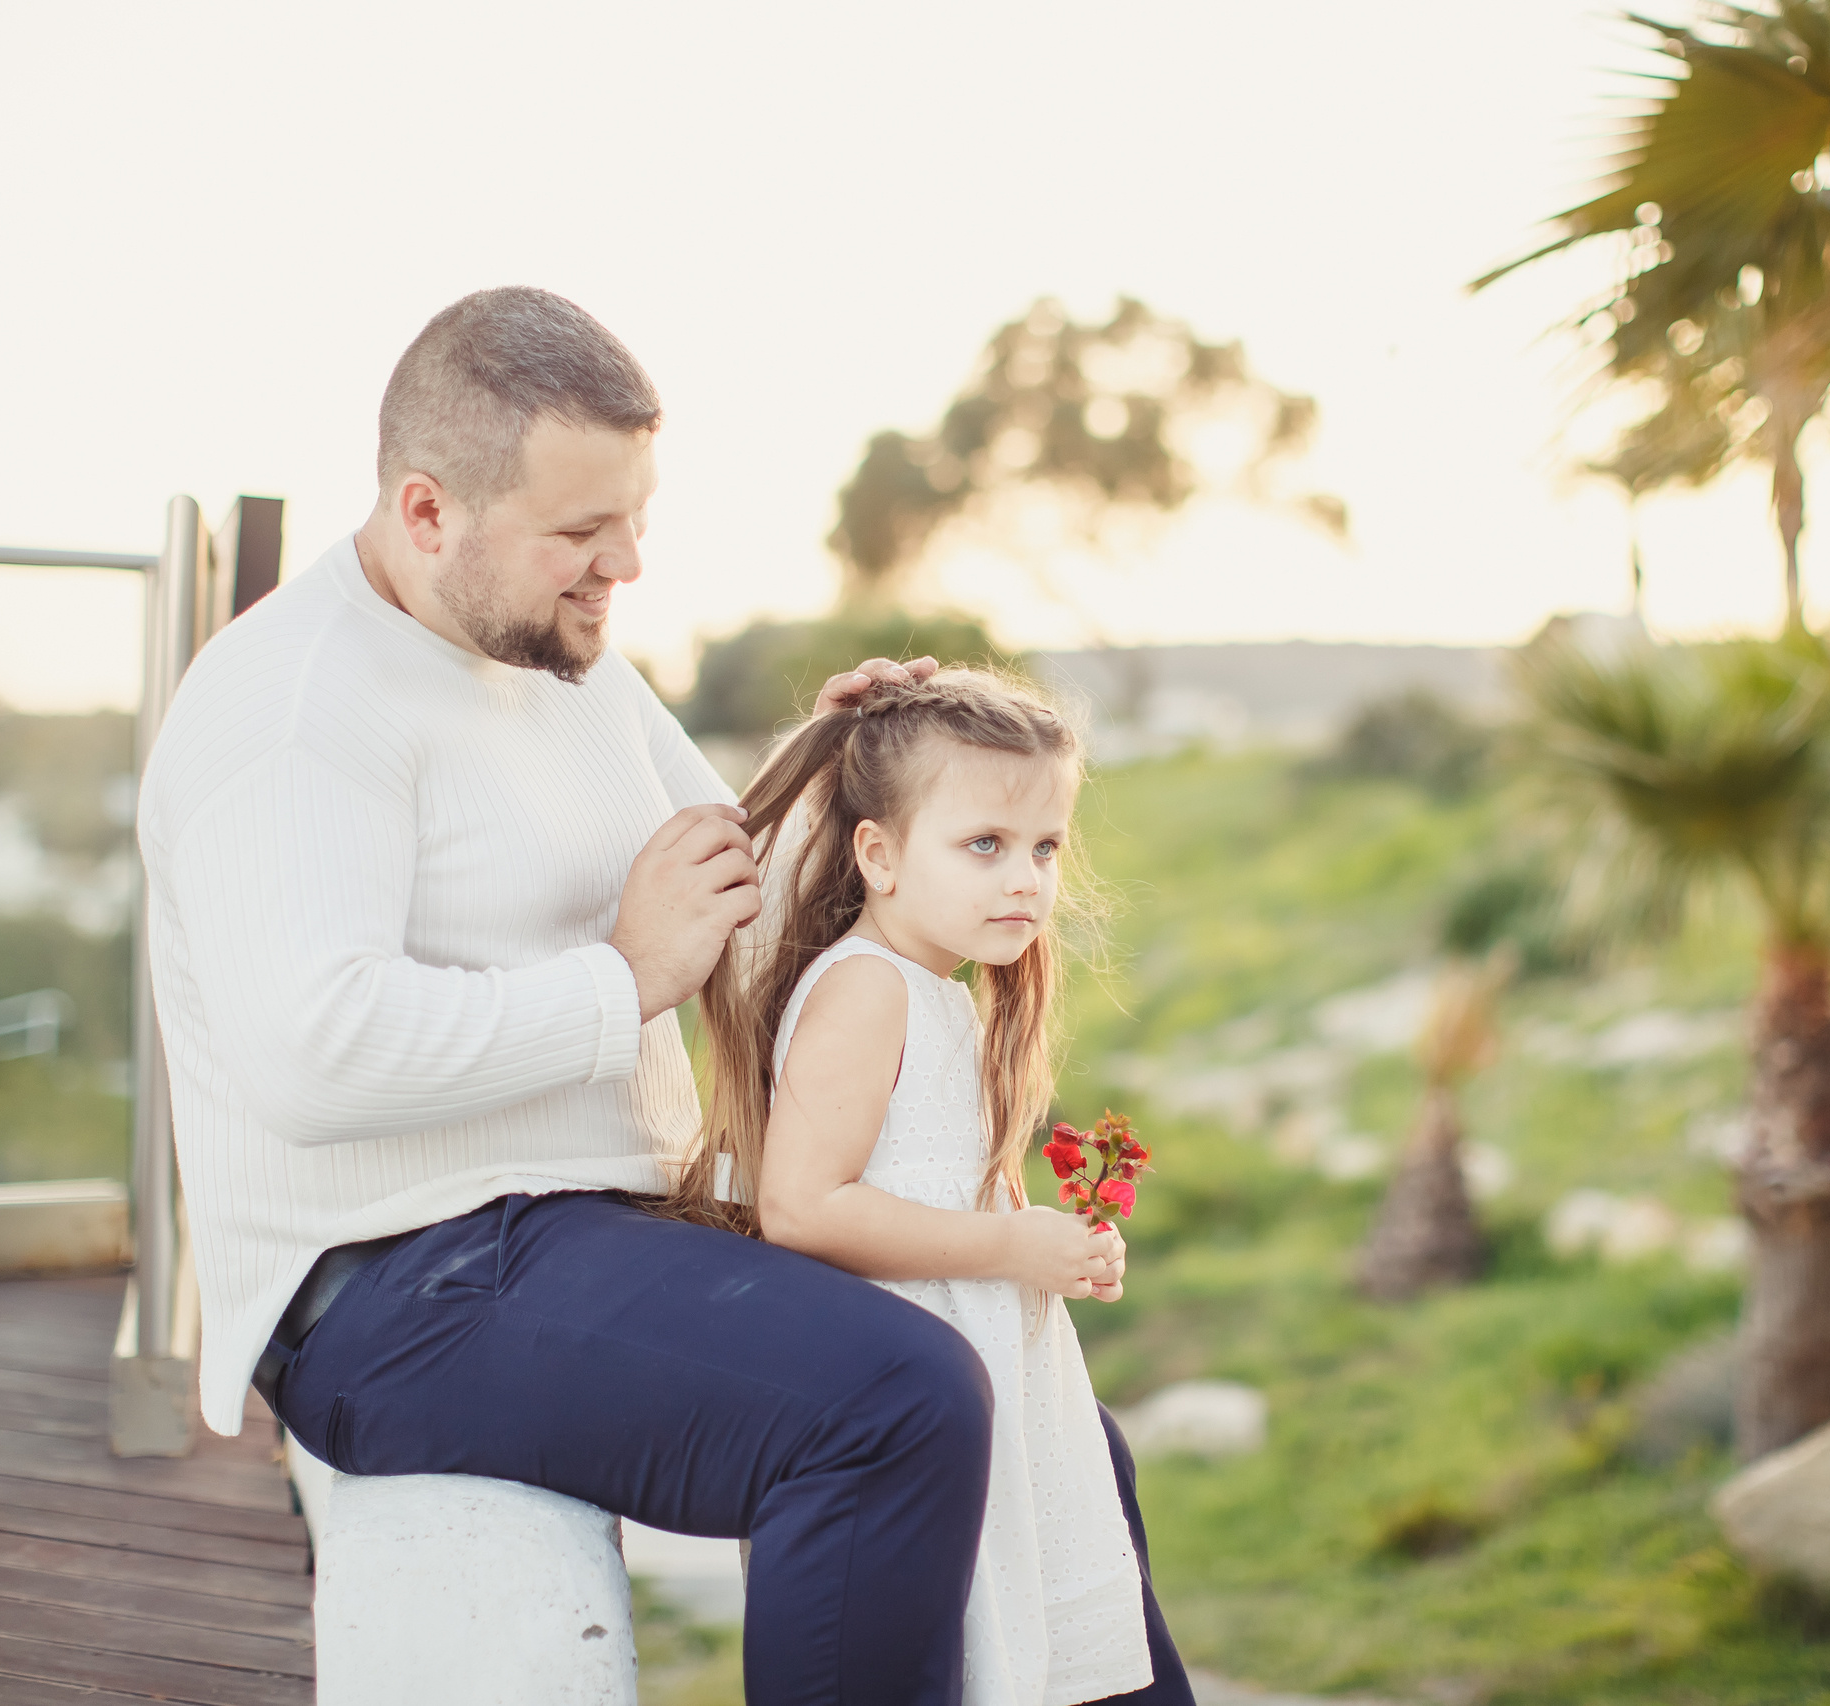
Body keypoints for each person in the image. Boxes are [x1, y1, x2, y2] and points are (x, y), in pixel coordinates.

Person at [137, 286, 1132, 1705]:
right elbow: (313, 1053)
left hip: (580, 1230)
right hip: (389, 1285)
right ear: (427, 512)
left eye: (636, 518)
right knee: (897, 1408)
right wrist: (620, 984)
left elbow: (733, 887)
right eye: (583, 534)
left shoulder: (556, 653)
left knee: (1051, 1425)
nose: (629, 566)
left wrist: (853, 773)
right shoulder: (290, 709)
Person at [661, 668, 1194, 1706]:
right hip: (905, 1386)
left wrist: (1056, 1246)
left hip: (980, 1366)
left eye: (1044, 847)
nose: (1026, 880)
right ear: (881, 854)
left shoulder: (944, 996)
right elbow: (801, 1206)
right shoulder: (865, 988)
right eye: (984, 844)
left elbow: (959, 1195)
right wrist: (1011, 1247)